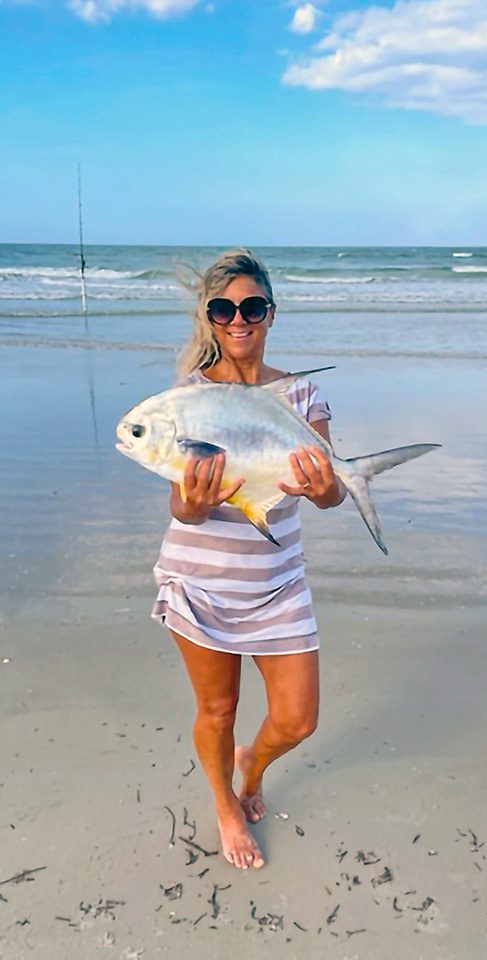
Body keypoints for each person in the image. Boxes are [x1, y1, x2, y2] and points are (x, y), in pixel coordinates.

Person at [151, 249, 345, 870]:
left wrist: (327, 488)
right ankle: (226, 805)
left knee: (297, 720)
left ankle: (250, 765)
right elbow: (182, 510)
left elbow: (331, 492)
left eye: (252, 307)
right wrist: (197, 504)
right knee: (218, 709)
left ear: (270, 314)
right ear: (210, 318)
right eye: (224, 308)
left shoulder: (303, 395)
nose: (239, 320)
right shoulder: (188, 398)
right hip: (201, 579)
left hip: (278, 580)